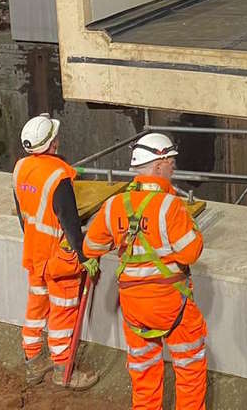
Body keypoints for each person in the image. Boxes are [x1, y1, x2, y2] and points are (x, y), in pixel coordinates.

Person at [84, 132, 207, 410]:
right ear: (158, 164)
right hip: (171, 303)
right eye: (171, 160)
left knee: (144, 373)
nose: (174, 166)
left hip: (133, 307)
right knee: (190, 368)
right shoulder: (171, 206)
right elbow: (191, 252)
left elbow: (91, 245)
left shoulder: (115, 204)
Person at [12, 112, 100, 389]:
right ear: (52, 142)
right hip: (57, 257)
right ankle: (64, 370)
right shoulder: (59, 175)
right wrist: (84, 257)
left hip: (34, 251)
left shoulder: (20, 168)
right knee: (62, 310)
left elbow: (22, 215)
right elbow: (70, 221)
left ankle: (33, 361)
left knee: (36, 307)